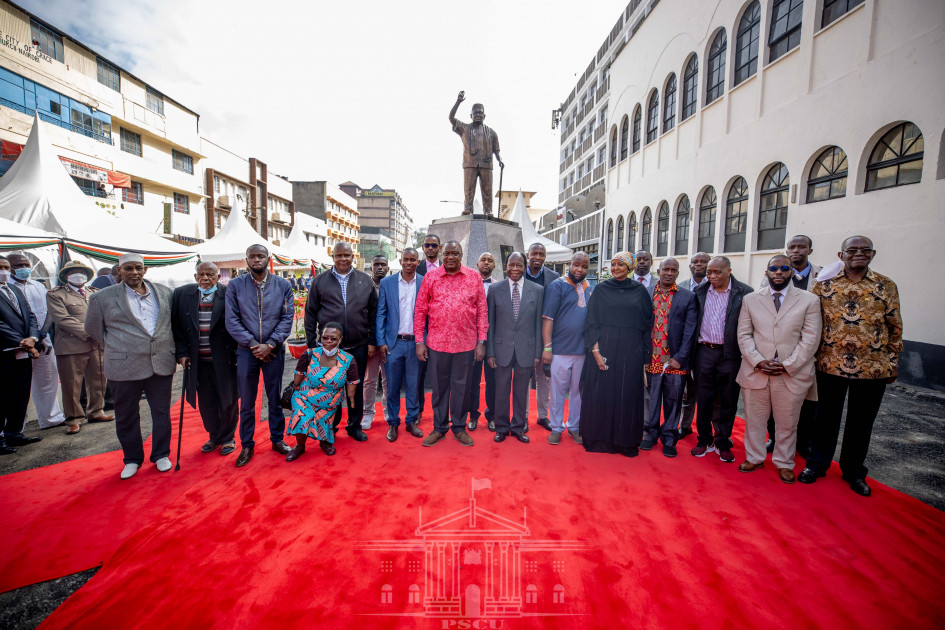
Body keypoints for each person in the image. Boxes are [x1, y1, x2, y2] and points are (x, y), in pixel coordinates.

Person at [799, 236, 902, 497]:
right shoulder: (823, 285)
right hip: (829, 365)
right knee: (824, 419)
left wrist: (893, 363)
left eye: (864, 250)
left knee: (861, 422)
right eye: (852, 250)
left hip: (873, 368)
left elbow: (895, 326)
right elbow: (811, 323)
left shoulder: (885, 285)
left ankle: (853, 471)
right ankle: (816, 465)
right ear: (840, 254)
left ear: (873, 254)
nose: (858, 254)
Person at [85, 254, 175, 479]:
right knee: (126, 415)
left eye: (138, 268)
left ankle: (161, 454)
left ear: (145, 270)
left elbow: (172, 324)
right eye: (128, 268)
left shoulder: (165, 292)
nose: (134, 272)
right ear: (119, 270)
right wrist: (120, 347)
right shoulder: (102, 298)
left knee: (162, 413)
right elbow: (94, 329)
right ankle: (132, 459)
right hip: (122, 365)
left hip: (160, 362)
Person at [736, 255, 822, 483]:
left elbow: (811, 339)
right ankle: (754, 457)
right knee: (754, 421)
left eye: (784, 268)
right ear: (767, 272)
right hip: (756, 371)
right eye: (774, 268)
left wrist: (788, 365)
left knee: (787, 423)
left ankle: (784, 463)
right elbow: (744, 334)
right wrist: (757, 360)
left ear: (791, 272)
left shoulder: (809, 300)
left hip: (791, 373)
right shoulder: (751, 299)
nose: (779, 272)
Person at [225, 244, 294, 468]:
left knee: (274, 399)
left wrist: (271, 344)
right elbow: (232, 320)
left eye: (260, 256)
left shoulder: (283, 285)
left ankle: (277, 440)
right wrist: (255, 344)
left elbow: (287, 317)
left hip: (274, 351)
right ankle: (247, 445)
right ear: (246, 260)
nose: (256, 259)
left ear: (268, 258)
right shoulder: (235, 286)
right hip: (247, 352)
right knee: (246, 401)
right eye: (252, 256)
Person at [580, 252, 653, 457]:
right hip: (605, 348)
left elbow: (647, 325)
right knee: (600, 393)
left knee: (626, 394)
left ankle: (625, 441)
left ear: (630, 267)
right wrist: (595, 352)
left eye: (620, 264)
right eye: (613, 264)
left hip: (631, 350)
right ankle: (599, 439)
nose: (616, 268)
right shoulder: (602, 289)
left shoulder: (640, 291)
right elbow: (591, 322)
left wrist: (646, 358)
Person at [415, 241, 487, 447]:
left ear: (462, 255)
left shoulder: (474, 277)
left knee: (462, 389)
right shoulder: (431, 277)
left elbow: (482, 311)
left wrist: (481, 341)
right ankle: (439, 428)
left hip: (466, 344)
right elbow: (420, 311)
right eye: (447, 253)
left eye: (455, 253)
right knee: (439, 389)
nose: (450, 257)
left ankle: (459, 427)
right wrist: (419, 341)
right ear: (441, 254)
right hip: (437, 344)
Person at [304, 242, 377, 442]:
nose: (343, 259)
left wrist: (372, 341)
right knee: (330, 389)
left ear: (352, 256)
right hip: (329, 349)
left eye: (346, 255)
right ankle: (330, 428)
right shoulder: (320, 281)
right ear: (333, 256)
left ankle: (354, 426)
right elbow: (310, 313)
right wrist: (311, 344)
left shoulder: (365, 280)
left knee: (356, 387)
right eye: (339, 255)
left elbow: (374, 314)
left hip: (359, 346)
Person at [759, 235, 823, 455]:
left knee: (803, 402)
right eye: (792, 247)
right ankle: (774, 439)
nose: (796, 250)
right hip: (772, 351)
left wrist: (795, 359)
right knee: (771, 403)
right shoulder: (772, 275)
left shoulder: (821, 277)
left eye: (801, 247)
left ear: (809, 250)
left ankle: (802, 444)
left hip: (804, 350)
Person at [172, 261, 239, 456]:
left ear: (218, 277)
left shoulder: (228, 294)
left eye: (210, 275)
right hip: (198, 361)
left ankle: (228, 437)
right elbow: (176, 327)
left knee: (228, 400)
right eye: (201, 274)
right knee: (206, 402)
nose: (205, 278)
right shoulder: (182, 294)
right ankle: (214, 435)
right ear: (195, 277)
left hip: (225, 360)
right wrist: (182, 353)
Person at [690, 256, 753, 463]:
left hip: (730, 354)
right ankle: (704, 439)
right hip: (704, 352)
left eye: (717, 272)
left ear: (729, 271)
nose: (712, 276)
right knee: (704, 398)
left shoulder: (744, 293)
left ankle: (723, 441)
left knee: (728, 399)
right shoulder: (699, 292)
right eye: (709, 272)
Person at [45, 261, 112, 435]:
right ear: (66, 276)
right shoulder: (56, 295)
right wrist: (91, 332)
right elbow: (62, 319)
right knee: (72, 384)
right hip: (71, 345)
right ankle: (74, 419)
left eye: (81, 272)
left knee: (98, 380)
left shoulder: (94, 293)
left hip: (97, 345)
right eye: (73, 272)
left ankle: (96, 411)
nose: (78, 275)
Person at [641, 258, 698, 458]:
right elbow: (640, 326)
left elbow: (691, 330)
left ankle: (669, 437)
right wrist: (643, 355)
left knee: (673, 401)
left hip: (675, 361)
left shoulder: (687, 297)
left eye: (674, 270)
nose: (669, 273)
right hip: (652, 359)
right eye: (666, 269)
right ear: (659, 270)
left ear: (677, 273)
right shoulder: (646, 293)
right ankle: (650, 434)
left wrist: (680, 357)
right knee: (650, 400)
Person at [487, 252, 542, 444]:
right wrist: (491, 351)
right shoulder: (495, 289)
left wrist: (537, 353)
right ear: (506, 266)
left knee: (521, 391)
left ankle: (518, 427)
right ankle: (501, 428)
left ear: (525, 266)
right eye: (511, 265)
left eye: (519, 265)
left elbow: (538, 325)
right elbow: (491, 324)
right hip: (501, 350)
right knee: (501, 390)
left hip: (526, 350)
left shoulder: (537, 290)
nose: (515, 269)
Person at [8, 252, 66, 430]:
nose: (24, 268)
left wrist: (41, 335)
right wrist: (26, 340)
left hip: (42, 340)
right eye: (17, 266)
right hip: (17, 345)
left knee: (47, 380)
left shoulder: (38, 286)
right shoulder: (6, 287)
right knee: (18, 387)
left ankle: (51, 418)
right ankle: (16, 427)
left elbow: (48, 312)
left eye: (26, 264)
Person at [285, 323, 359, 459]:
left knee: (324, 419)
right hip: (305, 395)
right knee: (301, 416)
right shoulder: (310, 353)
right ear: (321, 338)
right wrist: (297, 386)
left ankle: (324, 442)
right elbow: (298, 375)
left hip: (330, 398)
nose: (329, 341)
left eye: (333, 338)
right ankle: (300, 446)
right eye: (325, 338)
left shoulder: (348, 359)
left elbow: (352, 382)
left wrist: (352, 399)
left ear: (340, 339)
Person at [541, 251, 593, 445]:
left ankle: (574, 427)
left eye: (584, 266)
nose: (579, 269)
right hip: (560, 350)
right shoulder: (557, 286)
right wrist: (547, 348)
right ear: (569, 264)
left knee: (578, 391)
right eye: (576, 265)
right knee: (557, 391)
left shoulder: (589, 288)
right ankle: (556, 427)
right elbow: (548, 319)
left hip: (582, 351)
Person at [376, 248, 424, 442]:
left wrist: (424, 342)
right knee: (393, 387)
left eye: (413, 260)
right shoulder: (387, 283)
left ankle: (412, 421)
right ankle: (393, 423)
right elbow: (381, 313)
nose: (409, 263)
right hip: (393, 344)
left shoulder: (424, 282)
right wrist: (381, 342)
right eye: (406, 259)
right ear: (400, 260)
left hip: (416, 344)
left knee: (413, 385)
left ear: (418, 262)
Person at [0, 255, 42, 455]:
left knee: (20, 394)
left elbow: (30, 315)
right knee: (3, 396)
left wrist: (32, 338)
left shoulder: (14, 289)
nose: (5, 271)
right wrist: (21, 341)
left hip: (24, 351)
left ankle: (14, 433)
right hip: (5, 353)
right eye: (0, 267)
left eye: (6, 267)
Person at [448, 91, 504, 216]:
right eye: (475, 113)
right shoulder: (464, 129)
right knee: (468, 189)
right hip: (470, 164)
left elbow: (496, 149)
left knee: (487, 190)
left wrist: (499, 159)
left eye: (480, 112)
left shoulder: (492, 133)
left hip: (486, 164)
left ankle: (488, 210)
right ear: (471, 115)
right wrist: (458, 102)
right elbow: (451, 118)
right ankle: (468, 208)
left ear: (484, 115)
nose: (478, 115)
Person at [523, 243, 559, 432]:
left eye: (541, 254)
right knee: (523, 378)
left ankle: (543, 416)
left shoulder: (554, 278)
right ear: (528, 255)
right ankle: (524, 417)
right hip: (523, 336)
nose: (537, 256)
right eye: (534, 253)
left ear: (545, 256)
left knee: (543, 378)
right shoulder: (519, 272)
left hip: (545, 336)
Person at [678, 252, 711, 438]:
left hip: (706, 348)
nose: (699, 265)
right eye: (695, 262)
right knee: (686, 391)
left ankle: (711, 431)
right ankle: (685, 425)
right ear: (690, 266)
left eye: (703, 261)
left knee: (709, 393)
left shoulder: (715, 286)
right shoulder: (681, 287)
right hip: (685, 346)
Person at [466, 252, 496, 432]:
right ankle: (473, 415)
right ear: (477, 264)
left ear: (494, 265)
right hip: (472, 340)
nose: (486, 263)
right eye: (483, 259)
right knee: (473, 381)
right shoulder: (469, 284)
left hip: (493, 341)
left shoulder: (500, 286)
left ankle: (491, 415)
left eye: (490, 260)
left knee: (492, 381)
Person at [361, 255, 388, 431]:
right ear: (370, 267)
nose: (379, 267)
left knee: (388, 380)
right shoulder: (364, 286)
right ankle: (368, 413)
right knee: (369, 380)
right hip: (370, 341)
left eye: (383, 264)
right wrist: (371, 340)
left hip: (388, 342)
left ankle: (388, 411)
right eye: (376, 264)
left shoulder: (393, 284)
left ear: (388, 267)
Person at [416, 233, 441, 419]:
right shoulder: (415, 268)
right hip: (421, 328)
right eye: (427, 245)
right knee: (419, 375)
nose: (430, 248)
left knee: (440, 376)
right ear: (423, 247)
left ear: (439, 247)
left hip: (441, 330)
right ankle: (418, 411)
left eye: (434, 245)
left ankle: (441, 412)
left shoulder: (448, 267)